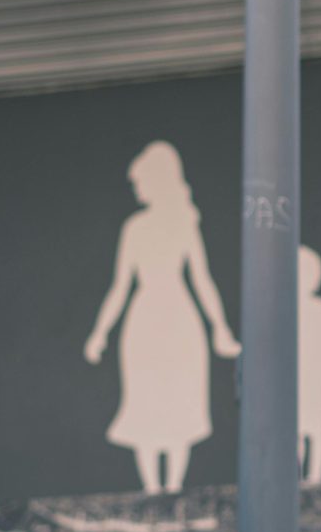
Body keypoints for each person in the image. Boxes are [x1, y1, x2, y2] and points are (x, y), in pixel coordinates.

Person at [84, 140, 240, 494]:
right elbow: (120, 286)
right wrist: (100, 333)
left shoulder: (184, 223)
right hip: (144, 323)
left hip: (180, 321)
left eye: (140, 181)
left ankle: (171, 489)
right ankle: (155, 491)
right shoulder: (134, 228)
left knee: (178, 403)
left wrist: (220, 329)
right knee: (146, 403)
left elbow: (202, 280)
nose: (137, 188)